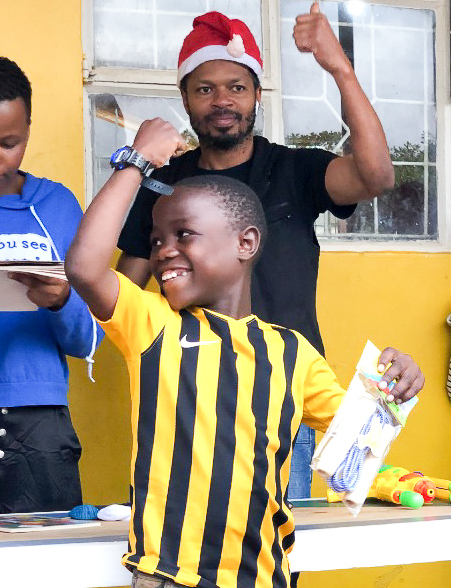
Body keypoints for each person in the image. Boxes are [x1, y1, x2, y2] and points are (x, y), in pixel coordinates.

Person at [65, 123, 424, 587]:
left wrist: (397, 382)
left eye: (183, 234)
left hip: (264, 578)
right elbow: (84, 266)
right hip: (171, 577)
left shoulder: (292, 353)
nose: (163, 252)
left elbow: (359, 436)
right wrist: (137, 162)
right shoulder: (154, 325)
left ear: (246, 243)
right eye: (156, 241)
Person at [114, 6, 396, 499]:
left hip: (288, 397)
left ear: (257, 96)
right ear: (185, 99)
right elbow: (122, 287)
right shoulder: (162, 186)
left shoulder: (293, 170)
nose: (222, 100)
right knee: (189, 544)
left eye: (237, 87)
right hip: (189, 404)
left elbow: (377, 177)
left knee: (278, 548)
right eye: (205, 89)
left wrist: (339, 68)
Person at [0, 57, 104, 513]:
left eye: (8, 143)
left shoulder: (57, 206)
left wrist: (62, 301)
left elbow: (88, 340)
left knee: (46, 565)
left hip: (37, 420)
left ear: (28, 129)